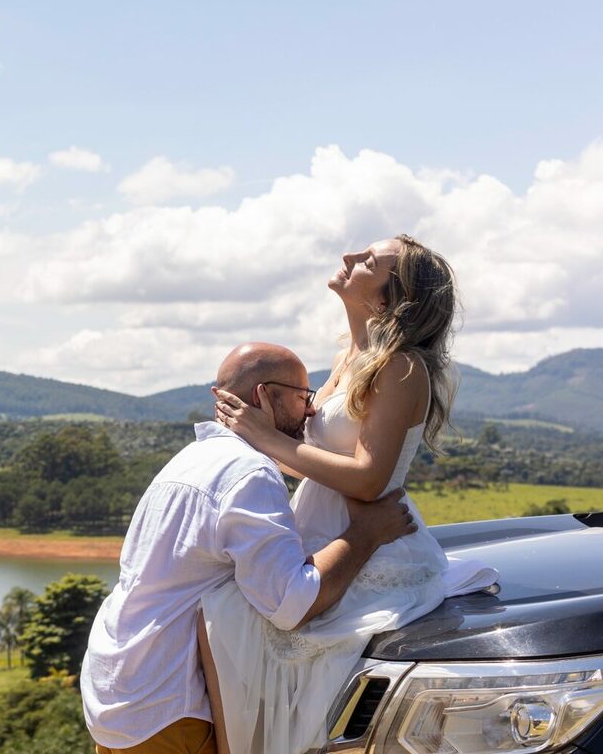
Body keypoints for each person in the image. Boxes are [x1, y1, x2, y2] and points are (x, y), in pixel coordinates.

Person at [204, 235, 497, 754]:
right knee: (220, 614)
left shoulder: (401, 367)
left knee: (233, 622)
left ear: (391, 297)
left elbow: (368, 479)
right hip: (317, 534)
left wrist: (267, 437)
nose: (349, 259)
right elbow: (312, 462)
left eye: (369, 262)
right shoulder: (349, 358)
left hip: (372, 552)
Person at [81, 341, 418, 754]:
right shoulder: (249, 473)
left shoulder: (190, 460)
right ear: (263, 396)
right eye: (302, 398)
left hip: (116, 688)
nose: (311, 411)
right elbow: (291, 602)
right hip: (167, 706)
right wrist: (366, 534)